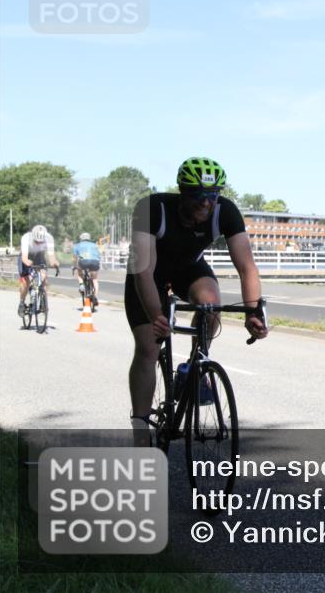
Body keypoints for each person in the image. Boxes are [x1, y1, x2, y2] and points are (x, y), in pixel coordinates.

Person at [126, 157, 267, 442]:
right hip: (148, 272)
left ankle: (194, 367)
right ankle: (140, 426)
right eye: (198, 195)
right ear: (182, 191)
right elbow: (144, 272)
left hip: (188, 268)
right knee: (148, 348)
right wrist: (157, 317)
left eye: (213, 195)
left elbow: (247, 267)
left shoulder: (224, 211)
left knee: (211, 304)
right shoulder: (152, 208)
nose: (206, 203)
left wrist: (253, 312)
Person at [18, 224, 60, 316]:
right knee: (26, 282)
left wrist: (54, 262)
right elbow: (24, 257)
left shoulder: (49, 238)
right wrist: (27, 262)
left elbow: (51, 255)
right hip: (26, 255)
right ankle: (22, 302)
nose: (39, 243)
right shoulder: (26, 238)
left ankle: (42, 300)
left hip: (39, 256)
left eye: (41, 242)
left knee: (44, 277)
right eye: (36, 242)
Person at [73, 232, 101, 307]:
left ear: (81, 239)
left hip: (83, 262)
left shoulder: (77, 245)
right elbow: (99, 255)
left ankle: (81, 285)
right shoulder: (95, 245)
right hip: (95, 262)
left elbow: (75, 258)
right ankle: (94, 296)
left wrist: (75, 266)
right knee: (94, 279)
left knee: (79, 273)